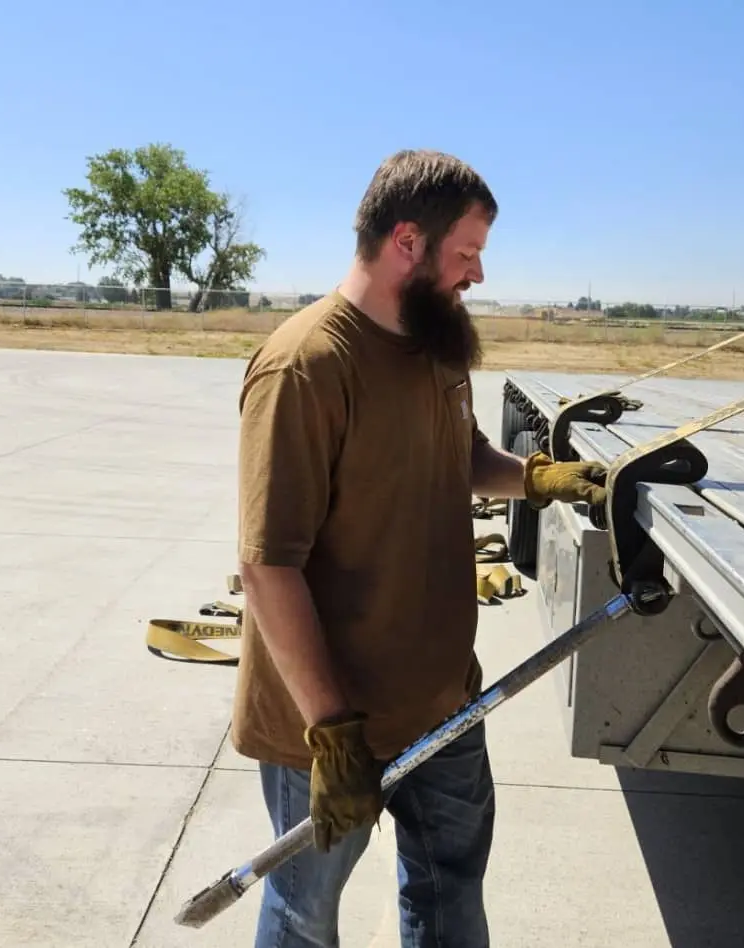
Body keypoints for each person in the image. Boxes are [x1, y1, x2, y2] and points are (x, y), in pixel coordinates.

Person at [231, 149, 608, 948]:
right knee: (304, 916)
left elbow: (462, 455)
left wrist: (545, 479)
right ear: (408, 240)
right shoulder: (307, 366)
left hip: (444, 703)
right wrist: (332, 731)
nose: (476, 273)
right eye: (467, 252)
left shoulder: (434, 345)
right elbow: (267, 567)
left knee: (450, 891)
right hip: (330, 726)